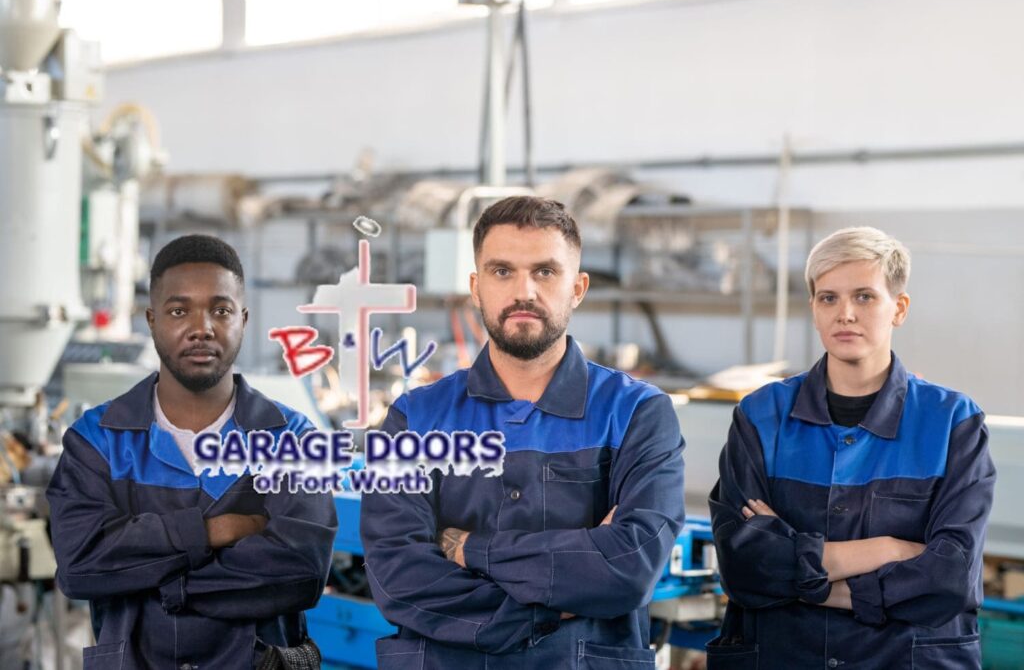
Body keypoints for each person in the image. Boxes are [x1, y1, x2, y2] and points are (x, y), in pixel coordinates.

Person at [360, 196, 686, 669]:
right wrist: (554, 603)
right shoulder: (414, 417)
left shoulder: (638, 413)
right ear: (476, 286)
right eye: (502, 272)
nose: (524, 291)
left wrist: (472, 549)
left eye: (545, 272)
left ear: (577, 287)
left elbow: (630, 568)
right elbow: (396, 574)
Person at [708, 227, 996, 669]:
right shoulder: (760, 416)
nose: (845, 313)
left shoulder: (952, 423)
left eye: (864, 296)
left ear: (898, 308)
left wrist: (808, 580)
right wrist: (887, 549)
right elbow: (743, 565)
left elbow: (949, 578)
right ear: (813, 309)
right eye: (828, 298)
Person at [47, 235, 338, 669]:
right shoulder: (97, 440)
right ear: (151, 319)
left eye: (220, 310)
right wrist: (212, 531)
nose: (201, 327)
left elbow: (302, 571)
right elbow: (80, 566)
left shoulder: (291, 439)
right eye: (179, 310)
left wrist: (164, 584)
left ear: (243, 318)